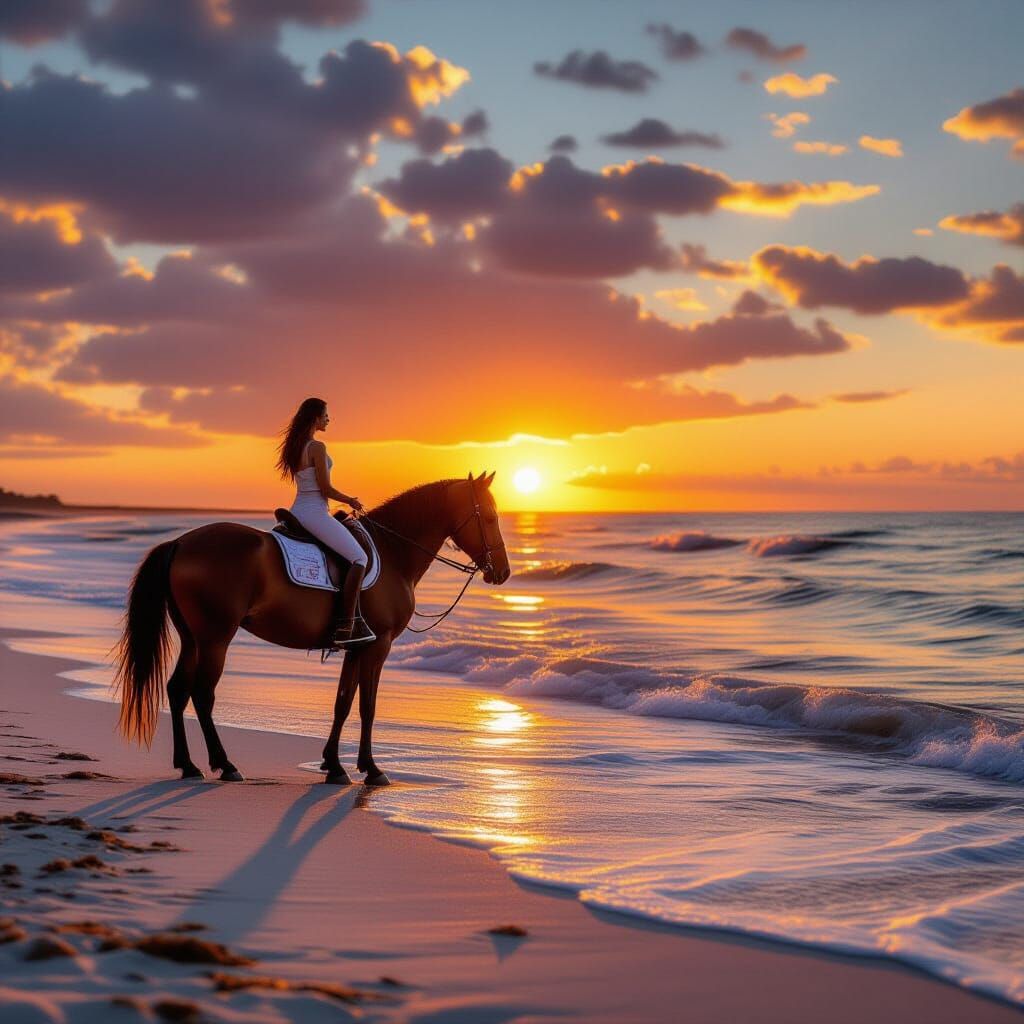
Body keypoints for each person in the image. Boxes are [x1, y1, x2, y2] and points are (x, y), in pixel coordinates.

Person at [276, 397, 373, 648]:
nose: (329, 419)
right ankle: (346, 625)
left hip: (299, 509)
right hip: (314, 513)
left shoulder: (295, 446)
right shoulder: (316, 447)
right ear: (315, 417)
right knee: (359, 558)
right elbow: (325, 488)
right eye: (326, 414)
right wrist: (350, 500)